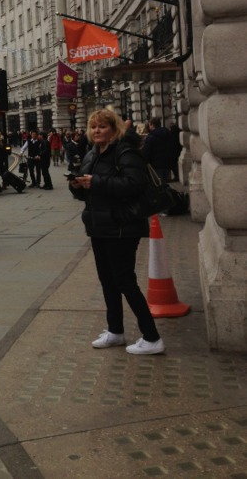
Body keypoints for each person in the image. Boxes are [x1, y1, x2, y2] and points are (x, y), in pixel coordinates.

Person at [69, 109, 165, 355]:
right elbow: (89, 190)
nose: (97, 131)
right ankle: (115, 331)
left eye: (102, 126)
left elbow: (134, 185)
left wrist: (96, 182)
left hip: (122, 226)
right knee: (107, 281)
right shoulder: (93, 153)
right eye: (94, 127)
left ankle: (152, 337)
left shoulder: (125, 151)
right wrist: (77, 185)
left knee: (125, 281)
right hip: (99, 225)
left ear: (115, 129)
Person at [141, 117, 176, 182]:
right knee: (166, 184)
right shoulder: (168, 134)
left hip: (156, 166)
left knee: (158, 185)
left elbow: (147, 153)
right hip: (167, 164)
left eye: (149, 125)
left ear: (152, 125)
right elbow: (172, 148)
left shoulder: (151, 137)